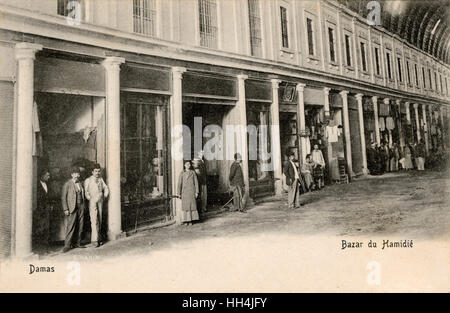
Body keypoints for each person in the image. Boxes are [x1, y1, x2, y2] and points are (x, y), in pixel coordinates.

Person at [61, 166, 86, 253]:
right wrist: (65, 209)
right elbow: (63, 197)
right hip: (72, 207)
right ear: (72, 175)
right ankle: (67, 245)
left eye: (78, 174)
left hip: (81, 206)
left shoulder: (80, 183)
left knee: (80, 225)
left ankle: (78, 243)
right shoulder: (67, 184)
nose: (77, 175)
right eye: (75, 174)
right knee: (71, 226)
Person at [84, 163, 109, 248]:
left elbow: (106, 187)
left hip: (100, 201)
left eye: (99, 171)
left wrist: (105, 195)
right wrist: (90, 198)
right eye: (95, 171)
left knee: (100, 219)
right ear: (92, 172)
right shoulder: (88, 180)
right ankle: (94, 240)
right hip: (92, 201)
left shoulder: (101, 179)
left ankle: (99, 238)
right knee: (94, 220)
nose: (97, 173)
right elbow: (86, 191)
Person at [34, 169, 52, 251]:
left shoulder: (48, 184)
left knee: (47, 228)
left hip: (47, 209)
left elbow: (49, 196)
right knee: (40, 228)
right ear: (42, 175)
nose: (49, 177)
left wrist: (51, 205)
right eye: (47, 175)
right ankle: (39, 248)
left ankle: (46, 248)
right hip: (40, 210)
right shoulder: (36, 185)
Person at [177, 160, 200, 225]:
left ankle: (191, 221)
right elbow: (179, 184)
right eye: (187, 164)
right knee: (185, 207)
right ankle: (185, 221)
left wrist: (196, 192)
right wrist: (179, 193)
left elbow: (196, 183)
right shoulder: (182, 173)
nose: (188, 165)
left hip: (191, 192)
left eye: (189, 164)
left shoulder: (193, 173)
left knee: (191, 206)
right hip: (184, 192)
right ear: (184, 165)